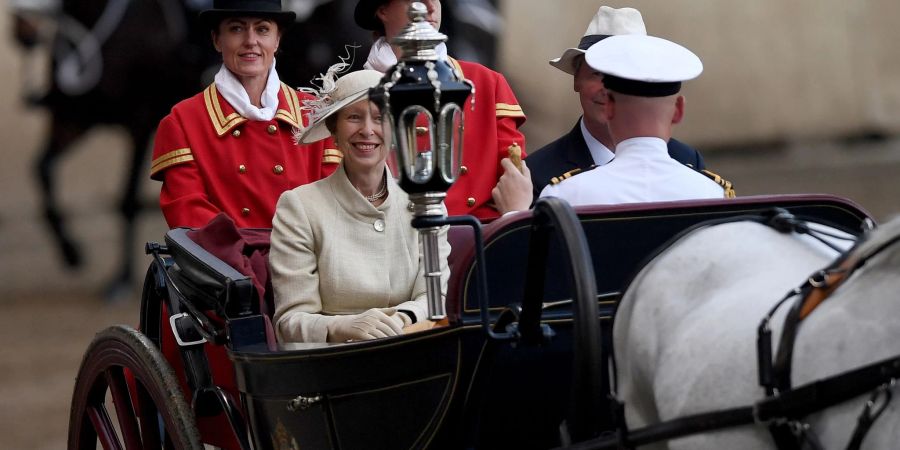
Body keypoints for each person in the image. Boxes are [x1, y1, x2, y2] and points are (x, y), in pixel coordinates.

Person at [269, 68, 451, 343]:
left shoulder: (427, 203)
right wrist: (344, 327)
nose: (367, 130)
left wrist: (400, 319)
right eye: (354, 117)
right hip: (329, 364)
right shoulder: (299, 207)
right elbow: (290, 320)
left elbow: (434, 295)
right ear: (334, 129)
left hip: (411, 350)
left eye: (380, 118)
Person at [150, 0, 341, 229]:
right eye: (236, 29)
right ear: (217, 40)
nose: (251, 41)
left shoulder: (315, 114)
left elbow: (334, 206)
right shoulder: (182, 122)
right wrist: (250, 260)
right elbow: (189, 216)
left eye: (262, 29)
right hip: (224, 263)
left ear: (277, 40)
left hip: (304, 259)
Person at [354, 0, 527, 220]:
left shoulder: (486, 83)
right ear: (382, 9)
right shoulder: (352, 95)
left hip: (473, 243)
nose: (430, 6)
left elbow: (513, 185)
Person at [526, 6, 707, 201]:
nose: (609, 89)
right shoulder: (537, 174)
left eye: (624, 78)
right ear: (576, 79)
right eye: (597, 73)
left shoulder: (686, 160)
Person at [540, 34, 733, 205]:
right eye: (595, 74)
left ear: (608, 106)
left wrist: (515, 213)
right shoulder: (713, 193)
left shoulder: (563, 196)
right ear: (679, 110)